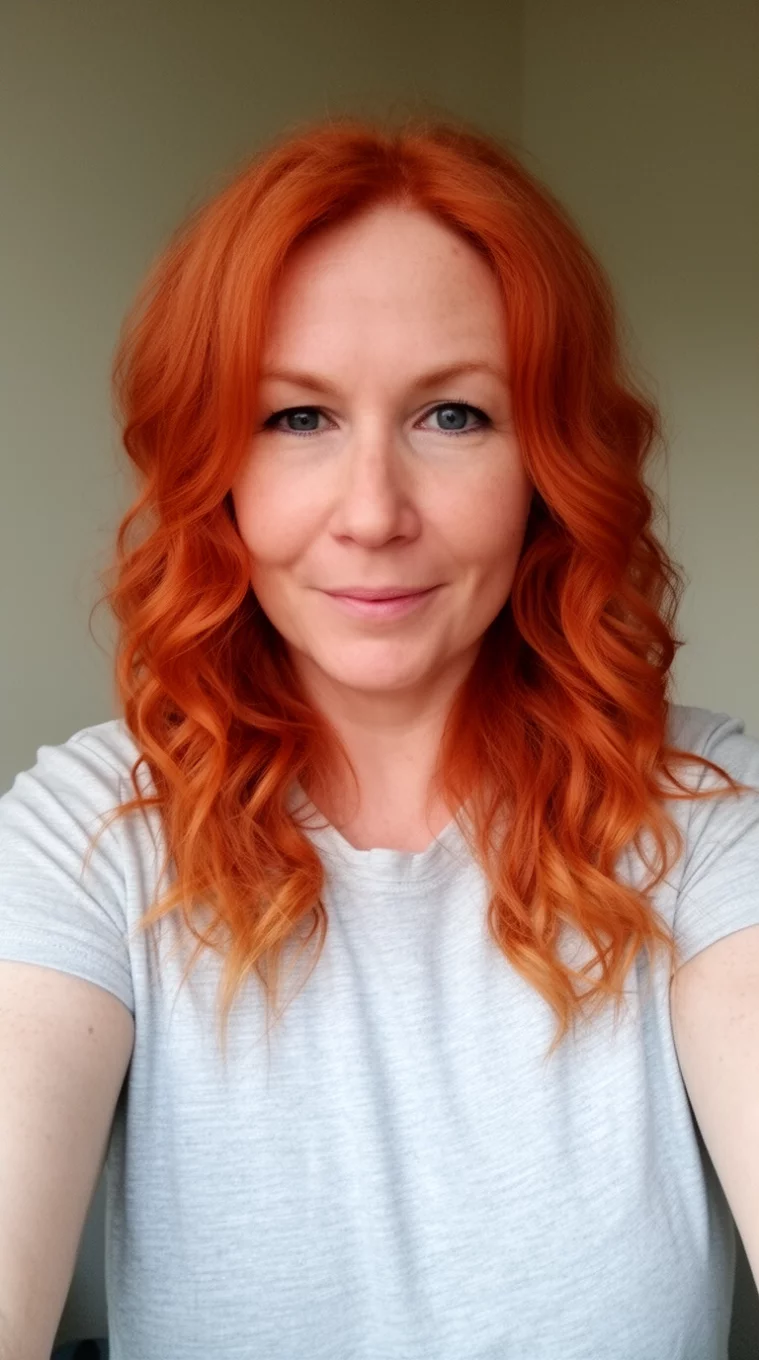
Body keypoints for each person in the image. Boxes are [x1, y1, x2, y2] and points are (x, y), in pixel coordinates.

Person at [1, 115, 758, 1360]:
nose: (372, 513)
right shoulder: (90, 831)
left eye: (453, 416)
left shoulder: (701, 813)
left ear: (549, 465)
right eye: (296, 419)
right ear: (214, 465)